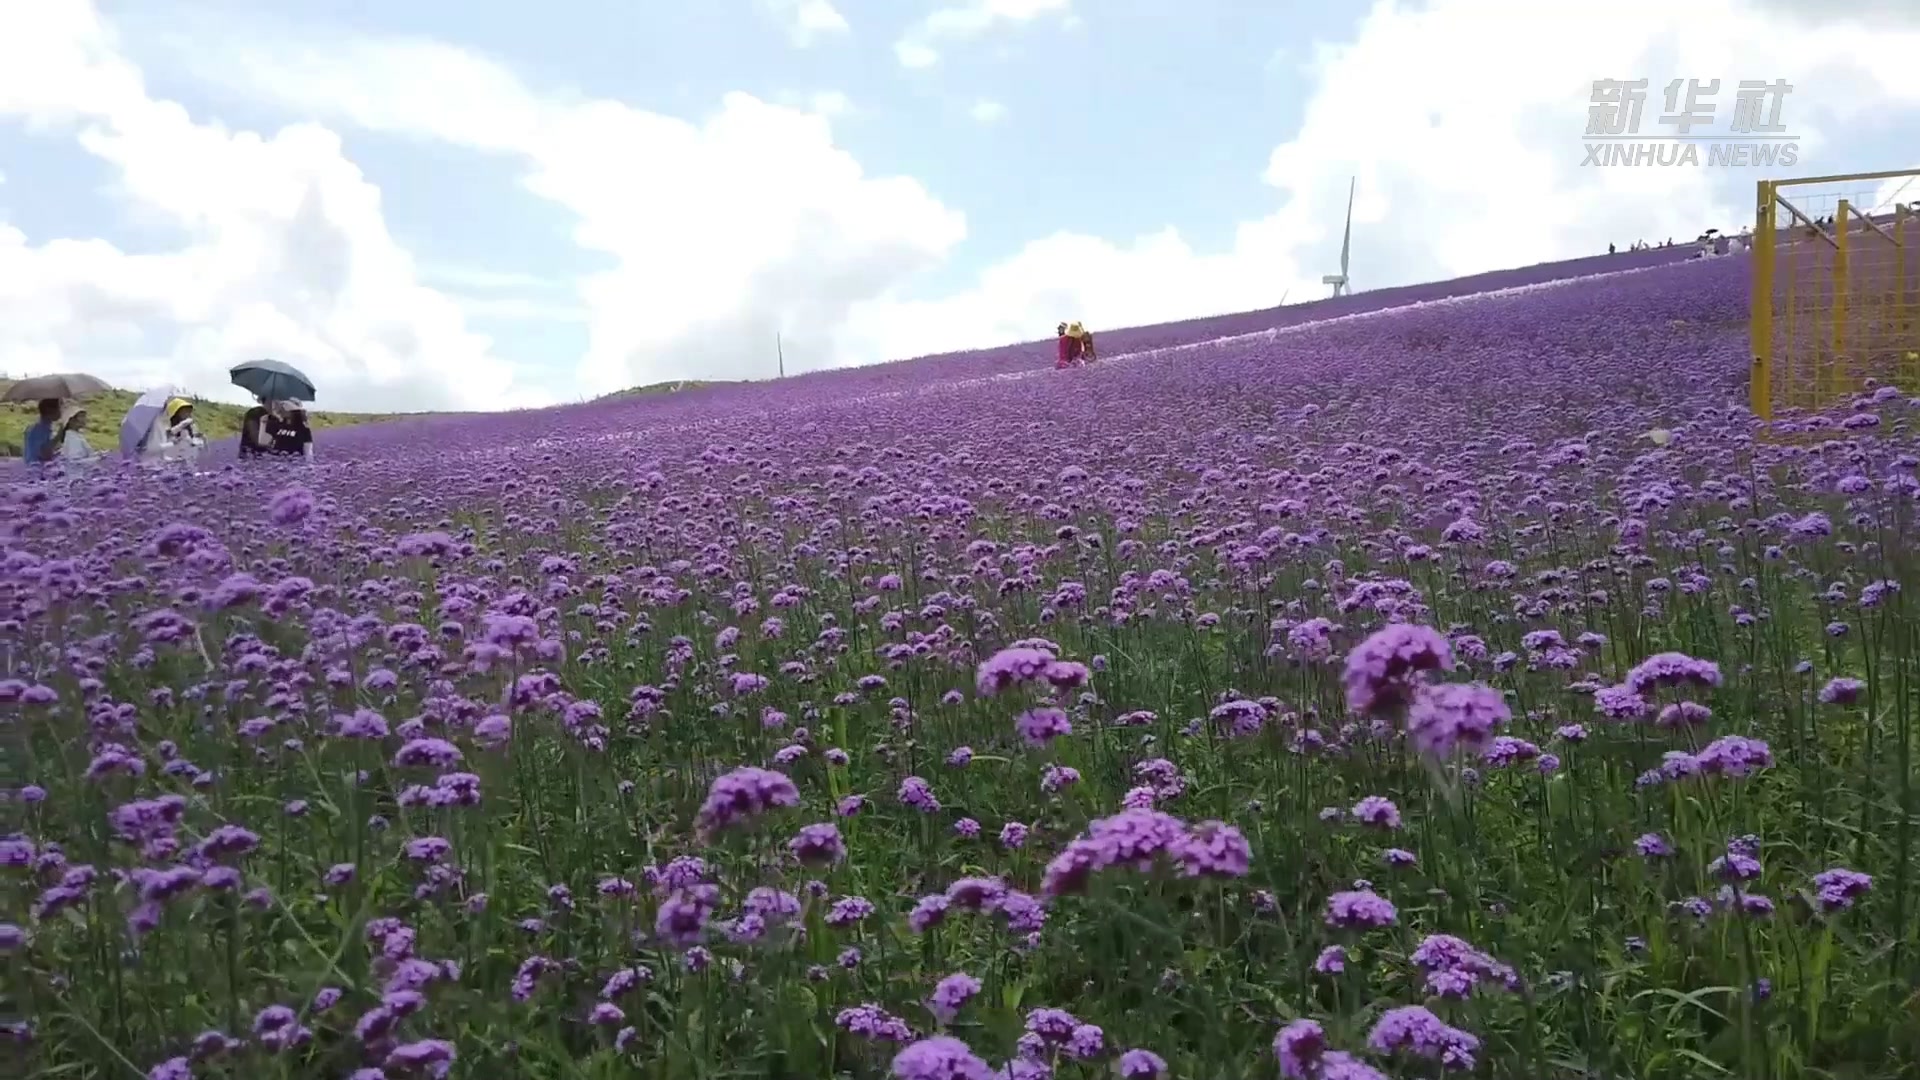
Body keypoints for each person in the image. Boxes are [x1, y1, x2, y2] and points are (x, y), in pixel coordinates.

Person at [21, 398, 71, 465]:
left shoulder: (39, 427)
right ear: (51, 410)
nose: (61, 410)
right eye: (60, 407)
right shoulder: (40, 430)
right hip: (36, 469)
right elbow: (45, 454)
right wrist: (59, 435)